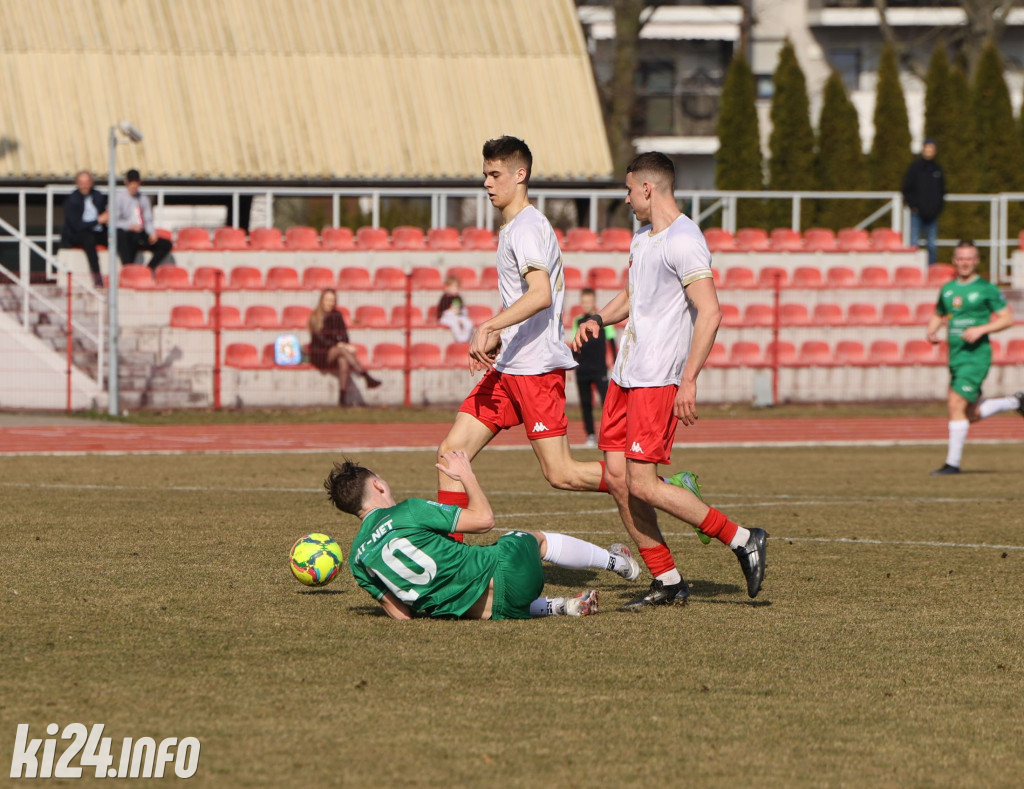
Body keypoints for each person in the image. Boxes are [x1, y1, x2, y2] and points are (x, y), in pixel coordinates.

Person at [572, 152, 767, 608]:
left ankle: (742, 539)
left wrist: (689, 379)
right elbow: (633, 294)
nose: (625, 199)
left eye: (628, 189)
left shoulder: (685, 238)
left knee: (643, 484)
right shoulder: (643, 238)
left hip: (659, 379)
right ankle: (668, 579)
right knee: (619, 481)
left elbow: (711, 311)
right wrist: (600, 317)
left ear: (647, 188)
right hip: (625, 375)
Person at [436, 137, 610, 542]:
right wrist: (502, 336)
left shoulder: (528, 227)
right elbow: (526, 302)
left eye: (495, 174)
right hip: (510, 364)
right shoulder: (514, 227)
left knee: (561, 474)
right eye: (485, 175)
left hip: (535, 369)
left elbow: (541, 294)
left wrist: (491, 326)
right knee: (451, 452)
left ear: (521, 174)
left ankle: (653, 487)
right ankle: (449, 559)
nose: (487, 183)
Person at [326, 451, 643, 620]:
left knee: (475, 598)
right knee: (533, 538)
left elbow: (401, 615)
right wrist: (467, 477)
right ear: (378, 486)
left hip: (489, 612)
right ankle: (619, 563)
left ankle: (562, 607)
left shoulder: (357, 559)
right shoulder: (407, 511)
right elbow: (484, 520)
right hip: (509, 571)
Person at [926, 240, 1023, 475]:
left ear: (977, 261)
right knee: (968, 414)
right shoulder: (948, 289)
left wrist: (981, 329)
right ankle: (1015, 402)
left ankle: (952, 464)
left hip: (976, 357)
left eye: (969, 258)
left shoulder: (986, 288)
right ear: (954, 260)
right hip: (956, 357)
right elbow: (939, 313)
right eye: (961, 258)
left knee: (954, 404)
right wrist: (932, 330)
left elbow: (1006, 319)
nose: (965, 262)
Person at [308, 288, 381, 405]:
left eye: (332, 300)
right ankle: (366, 376)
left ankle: (342, 398)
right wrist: (341, 345)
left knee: (343, 360)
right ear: (322, 300)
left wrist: (343, 344)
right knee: (341, 350)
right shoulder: (315, 316)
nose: (330, 303)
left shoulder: (337, 315)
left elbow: (344, 335)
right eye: (327, 300)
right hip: (320, 354)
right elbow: (320, 340)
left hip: (336, 352)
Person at [572, 288, 617, 448]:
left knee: (606, 403)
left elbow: (612, 343)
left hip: (599, 369)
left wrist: (615, 364)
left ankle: (609, 433)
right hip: (582, 369)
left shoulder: (602, 321)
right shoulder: (577, 321)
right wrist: (572, 365)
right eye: (583, 302)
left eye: (589, 301)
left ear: (594, 302)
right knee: (586, 404)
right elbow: (575, 344)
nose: (586, 305)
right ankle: (590, 434)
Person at [114, 169, 173, 269]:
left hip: (140, 233)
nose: (134, 186)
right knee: (124, 237)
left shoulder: (143, 199)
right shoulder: (119, 198)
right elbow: (114, 221)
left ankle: (148, 269)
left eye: (136, 183)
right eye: (131, 183)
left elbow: (148, 219)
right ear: (126, 183)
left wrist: (151, 232)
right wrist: (129, 226)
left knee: (166, 244)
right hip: (126, 233)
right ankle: (128, 268)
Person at [60, 171, 109, 287]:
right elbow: (76, 226)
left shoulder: (98, 196)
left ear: (91, 183)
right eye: (82, 183)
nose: (85, 185)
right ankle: (97, 278)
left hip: (98, 231)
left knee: (118, 237)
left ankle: (127, 273)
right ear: (77, 183)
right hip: (77, 234)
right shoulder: (72, 200)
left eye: (87, 182)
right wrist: (97, 221)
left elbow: (104, 214)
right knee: (88, 239)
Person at [902, 138, 946, 265]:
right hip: (917, 213)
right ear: (923, 150)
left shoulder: (938, 169)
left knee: (932, 245)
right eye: (926, 148)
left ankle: (931, 271)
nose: (928, 151)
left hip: (933, 214)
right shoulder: (915, 167)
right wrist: (913, 206)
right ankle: (912, 270)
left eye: (931, 149)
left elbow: (942, 191)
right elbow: (907, 188)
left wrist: (937, 208)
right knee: (913, 244)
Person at [436, 275, 474, 342]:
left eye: (457, 287)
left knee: (468, 323)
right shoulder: (445, 297)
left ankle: (466, 339)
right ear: (447, 287)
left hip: (458, 316)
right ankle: (460, 340)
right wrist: (450, 310)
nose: (456, 289)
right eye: (453, 287)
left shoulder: (458, 297)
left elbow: (461, 309)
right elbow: (442, 311)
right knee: (455, 324)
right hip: (447, 318)